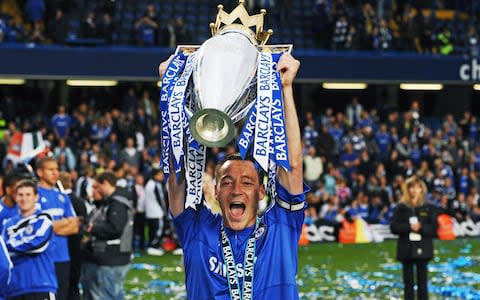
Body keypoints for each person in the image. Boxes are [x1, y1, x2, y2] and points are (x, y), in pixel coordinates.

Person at [161, 52, 307, 299]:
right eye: (227, 182)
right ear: (216, 191)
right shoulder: (197, 229)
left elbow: (292, 167)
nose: (236, 189)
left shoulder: (279, 228)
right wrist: (175, 95)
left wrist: (285, 88)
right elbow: (176, 174)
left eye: (247, 182)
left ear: (261, 192)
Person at [81, 171, 133, 300]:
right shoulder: (110, 202)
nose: (94, 191)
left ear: (105, 183)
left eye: (96, 186)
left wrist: (92, 228)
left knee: (108, 295)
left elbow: (115, 229)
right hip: (110, 256)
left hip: (112, 257)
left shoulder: (117, 203)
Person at [2, 179, 57, 299]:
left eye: (28, 194)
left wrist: (10, 245)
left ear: (36, 197)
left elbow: (36, 245)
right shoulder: (8, 224)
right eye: (20, 195)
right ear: (15, 197)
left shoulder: (44, 219)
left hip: (41, 285)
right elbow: (4, 255)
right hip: (14, 288)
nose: (24, 199)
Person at [36, 157, 81, 300]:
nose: (55, 173)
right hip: (42, 258)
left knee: (62, 296)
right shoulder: (33, 195)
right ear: (40, 172)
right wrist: (63, 223)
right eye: (51, 170)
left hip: (62, 256)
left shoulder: (62, 196)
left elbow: (75, 226)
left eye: (57, 169)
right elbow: (36, 229)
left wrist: (51, 228)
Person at [390, 176, 438, 300]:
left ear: (422, 189)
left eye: (416, 187)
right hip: (406, 248)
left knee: (423, 283)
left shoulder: (429, 207)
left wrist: (420, 228)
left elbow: (433, 229)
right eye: (411, 187)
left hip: (423, 248)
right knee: (408, 283)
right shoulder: (401, 207)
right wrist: (409, 227)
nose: (414, 190)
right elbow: (394, 227)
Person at [58, 171, 87, 300]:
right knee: (74, 283)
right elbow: (83, 223)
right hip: (76, 246)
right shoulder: (79, 201)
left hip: (62, 247)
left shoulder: (59, 201)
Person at [144, 168, 167, 256]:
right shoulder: (155, 184)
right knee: (158, 230)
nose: (162, 176)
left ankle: (152, 245)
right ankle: (154, 246)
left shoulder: (148, 184)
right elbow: (160, 199)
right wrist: (164, 210)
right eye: (160, 175)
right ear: (155, 175)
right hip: (157, 212)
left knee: (152, 230)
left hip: (150, 212)